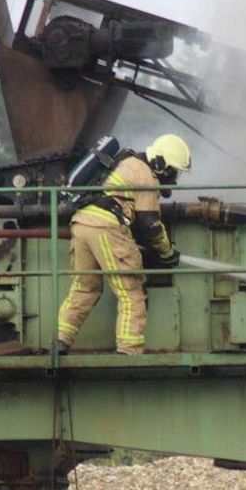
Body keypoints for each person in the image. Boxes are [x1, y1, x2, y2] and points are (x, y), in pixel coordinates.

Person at [56, 134, 191, 354]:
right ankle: (129, 350)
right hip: (106, 228)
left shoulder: (126, 163)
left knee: (85, 287)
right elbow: (151, 225)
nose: (173, 177)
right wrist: (167, 252)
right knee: (131, 291)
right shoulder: (146, 176)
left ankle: (61, 341)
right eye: (173, 170)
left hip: (81, 224)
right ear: (161, 163)